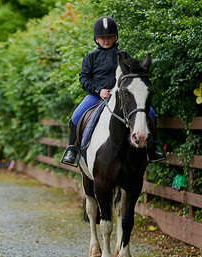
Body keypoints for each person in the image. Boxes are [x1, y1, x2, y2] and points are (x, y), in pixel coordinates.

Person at [62, 16, 166, 165]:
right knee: (76, 117)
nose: (106, 40)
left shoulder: (124, 56)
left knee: (151, 114)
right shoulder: (90, 57)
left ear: (116, 37)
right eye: (102, 37)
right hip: (97, 96)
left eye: (110, 37)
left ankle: (152, 148)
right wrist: (99, 90)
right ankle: (72, 150)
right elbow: (84, 79)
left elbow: (133, 78)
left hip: (121, 97)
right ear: (96, 39)